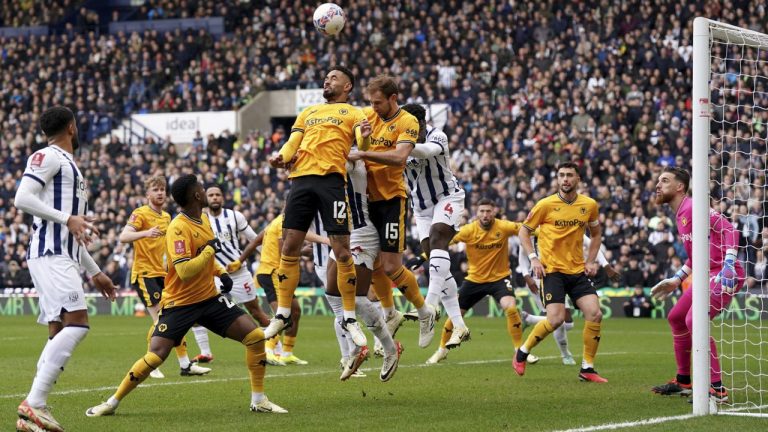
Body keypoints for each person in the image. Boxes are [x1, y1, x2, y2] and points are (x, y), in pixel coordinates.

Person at [85, 174, 287, 417]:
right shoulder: (178, 227)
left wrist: (220, 271)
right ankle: (112, 402)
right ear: (197, 195)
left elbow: (205, 256)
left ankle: (259, 399)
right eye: (202, 188)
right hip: (180, 303)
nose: (205, 190)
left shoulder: (202, 219)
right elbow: (184, 269)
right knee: (157, 354)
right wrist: (211, 251)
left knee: (254, 337)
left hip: (210, 299)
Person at [15, 106, 118, 432]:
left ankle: (29, 420)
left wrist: (95, 270)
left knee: (58, 330)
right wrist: (67, 218)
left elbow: (73, 233)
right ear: (72, 127)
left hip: (64, 254)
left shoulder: (70, 164)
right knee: (78, 323)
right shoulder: (48, 156)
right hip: (50, 253)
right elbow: (21, 197)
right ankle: (35, 403)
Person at [266, 66, 371, 345]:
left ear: (348, 86)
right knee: (289, 246)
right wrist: (280, 157)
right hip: (300, 180)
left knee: (342, 249)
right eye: (326, 77)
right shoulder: (308, 112)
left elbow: (361, 143)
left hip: (331, 182)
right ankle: (283, 312)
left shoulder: (355, 113)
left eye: (334, 77)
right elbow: (293, 143)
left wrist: (366, 135)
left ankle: (350, 317)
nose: (327, 80)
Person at [348, 75, 438, 349]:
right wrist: (361, 142)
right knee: (373, 265)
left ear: (393, 98)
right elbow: (358, 144)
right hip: (366, 201)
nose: (373, 108)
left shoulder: (407, 122)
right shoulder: (367, 116)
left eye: (378, 102)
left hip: (391, 200)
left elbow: (399, 158)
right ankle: (390, 313)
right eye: (371, 102)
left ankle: (425, 312)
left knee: (391, 266)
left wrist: (363, 154)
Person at [650, 167, 743, 402]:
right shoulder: (680, 213)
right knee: (676, 317)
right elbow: (696, 254)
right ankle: (683, 381)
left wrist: (729, 263)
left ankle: (717, 388)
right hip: (704, 273)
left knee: (694, 320)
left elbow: (730, 230)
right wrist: (677, 278)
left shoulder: (694, 207)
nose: (657, 185)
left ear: (680, 187)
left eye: (664, 181)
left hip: (723, 273)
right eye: (658, 180)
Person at [513, 162, 607, 383]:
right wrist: (533, 259)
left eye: (570, 175)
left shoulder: (589, 205)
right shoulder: (545, 205)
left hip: (577, 271)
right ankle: (522, 352)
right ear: (557, 179)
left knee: (595, 314)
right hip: (552, 271)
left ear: (578, 179)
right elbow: (524, 232)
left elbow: (596, 235)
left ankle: (588, 368)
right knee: (555, 320)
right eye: (561, 175)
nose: (565, 179)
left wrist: (591, 260)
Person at [425, 198, 538, 366]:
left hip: (500, 278)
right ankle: (442, 350)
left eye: (488, 211)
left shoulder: (504, 226)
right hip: (475, 280)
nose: (485, 215)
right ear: (477, 213)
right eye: (482, 211)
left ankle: (519, 351)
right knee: (456, 314)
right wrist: (423, 256)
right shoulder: (468, 230)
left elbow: (526, 229)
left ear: (494, 212)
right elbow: (443, 242)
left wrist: (549, 230)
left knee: (511, 307)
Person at [120, 175, 210, 378]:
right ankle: (151, 363)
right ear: (147, 193)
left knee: (174, 319)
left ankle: (185, 365)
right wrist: (145, 233)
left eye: (162, 189)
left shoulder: (168, 217)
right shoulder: (140, 213)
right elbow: (123, 236)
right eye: (155, 189)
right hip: (145, 274)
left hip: (164, 275)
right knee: (162, 320)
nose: (160, 192)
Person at [328, 149, 403, 381]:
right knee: (332, 292)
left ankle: (390, 350)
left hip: (361, 233)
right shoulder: (336, 156)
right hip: (343, 232)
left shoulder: (349, 158)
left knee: (358, 297)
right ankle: (355, 348)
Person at [398, 102, 469, 349]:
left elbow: (426, 151)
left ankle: (428, 308)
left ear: (421, 123)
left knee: (439, 237)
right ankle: (459, 325)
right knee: (435, 259)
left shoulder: (437, 135)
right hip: (421, 206)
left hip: (447, 197)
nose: (410, 132)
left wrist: (399, 147)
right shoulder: (399, 137)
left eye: (413, 128)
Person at [189, 185, 273, 364]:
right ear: (206, 198)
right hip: (214, 275)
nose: (214, 198)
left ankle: (276, 350)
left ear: (223, 198)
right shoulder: (200, 220)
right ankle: (206, 352)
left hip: (239, 273)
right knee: (196, 311)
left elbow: (255, 239)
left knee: (256, 312)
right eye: (210, 195)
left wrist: (269, 259)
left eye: (217, 195)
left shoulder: (235, 216)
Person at [518, 231, 620, 365]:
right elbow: (522, 254)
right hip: (541, 278)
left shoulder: (569, 224)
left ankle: (529, 319)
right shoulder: (533, 229)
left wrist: (605, 265)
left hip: (567, 275)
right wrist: (526, 276)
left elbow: (593, 244)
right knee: (558, 319)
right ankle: (566, 355)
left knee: (568, 323)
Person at [248, 212, 328, 366]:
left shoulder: (285, 220)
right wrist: (304, 251)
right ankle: (268, 350)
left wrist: (322, 240)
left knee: (295, 311)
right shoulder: (282, 222)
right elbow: (283, 252)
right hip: (272, 271)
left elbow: (256, 241)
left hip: (280, 273)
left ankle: (286, 353)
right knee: (283, 316)